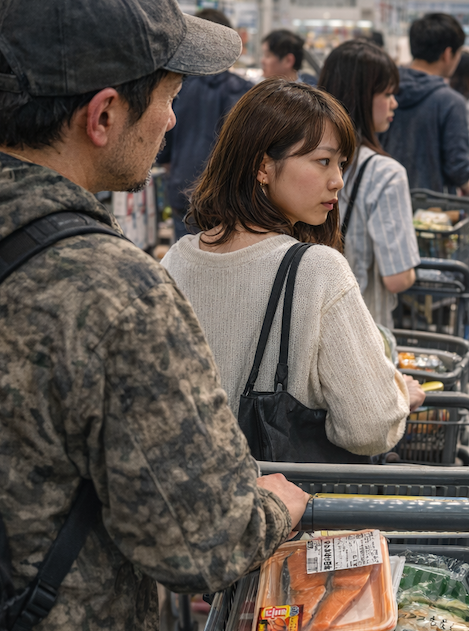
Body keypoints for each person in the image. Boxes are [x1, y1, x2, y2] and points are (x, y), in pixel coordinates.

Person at [0, 0, 310, 629]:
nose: (172, 119)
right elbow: (201, 543)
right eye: (168, 97)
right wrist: (269, 508)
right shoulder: (116, 293)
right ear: (103, 115)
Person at [160, 79, 425, 460]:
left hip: (195, 497)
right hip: (290, 509)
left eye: (341, 164)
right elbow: (370, 426)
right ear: (263, 166)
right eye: (323, 161)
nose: (337, 180)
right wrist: (402, 394)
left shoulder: (174, 261)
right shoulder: (317, 270)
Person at [318, 40, 421, 327]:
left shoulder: (301, 159)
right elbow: (398, 278)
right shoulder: (384, 173)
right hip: (360, 327)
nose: (394, 103)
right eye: (387, 93)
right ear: (362, 97)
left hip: (304, 328)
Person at [159, 9, 252, 241]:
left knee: (184, 266)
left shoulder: (176, 88)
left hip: (184, 190)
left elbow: (165, 150)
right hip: (230, 199)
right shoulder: (245, 92)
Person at [378, 13, 469, 195]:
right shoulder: (450, 102)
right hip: (432, 209)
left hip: (382, 194)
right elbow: (458, 168)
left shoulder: (382, 90)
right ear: (448, 54)